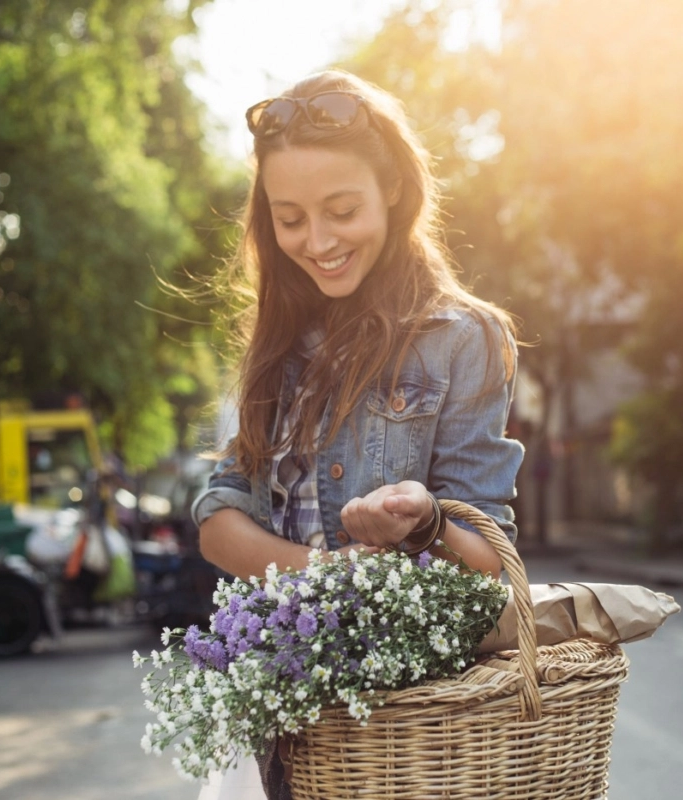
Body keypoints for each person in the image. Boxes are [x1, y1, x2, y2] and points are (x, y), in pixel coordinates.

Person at [190, 69, 524, 799]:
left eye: (342, 209)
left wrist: (426, 522)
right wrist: (331, 577)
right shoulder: (273, 347)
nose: (318, 241)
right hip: (294, 731)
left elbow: (487, 562)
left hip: (413, 735)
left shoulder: (464, 340)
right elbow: (218, 522)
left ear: (394, 191)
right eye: (290, 218)